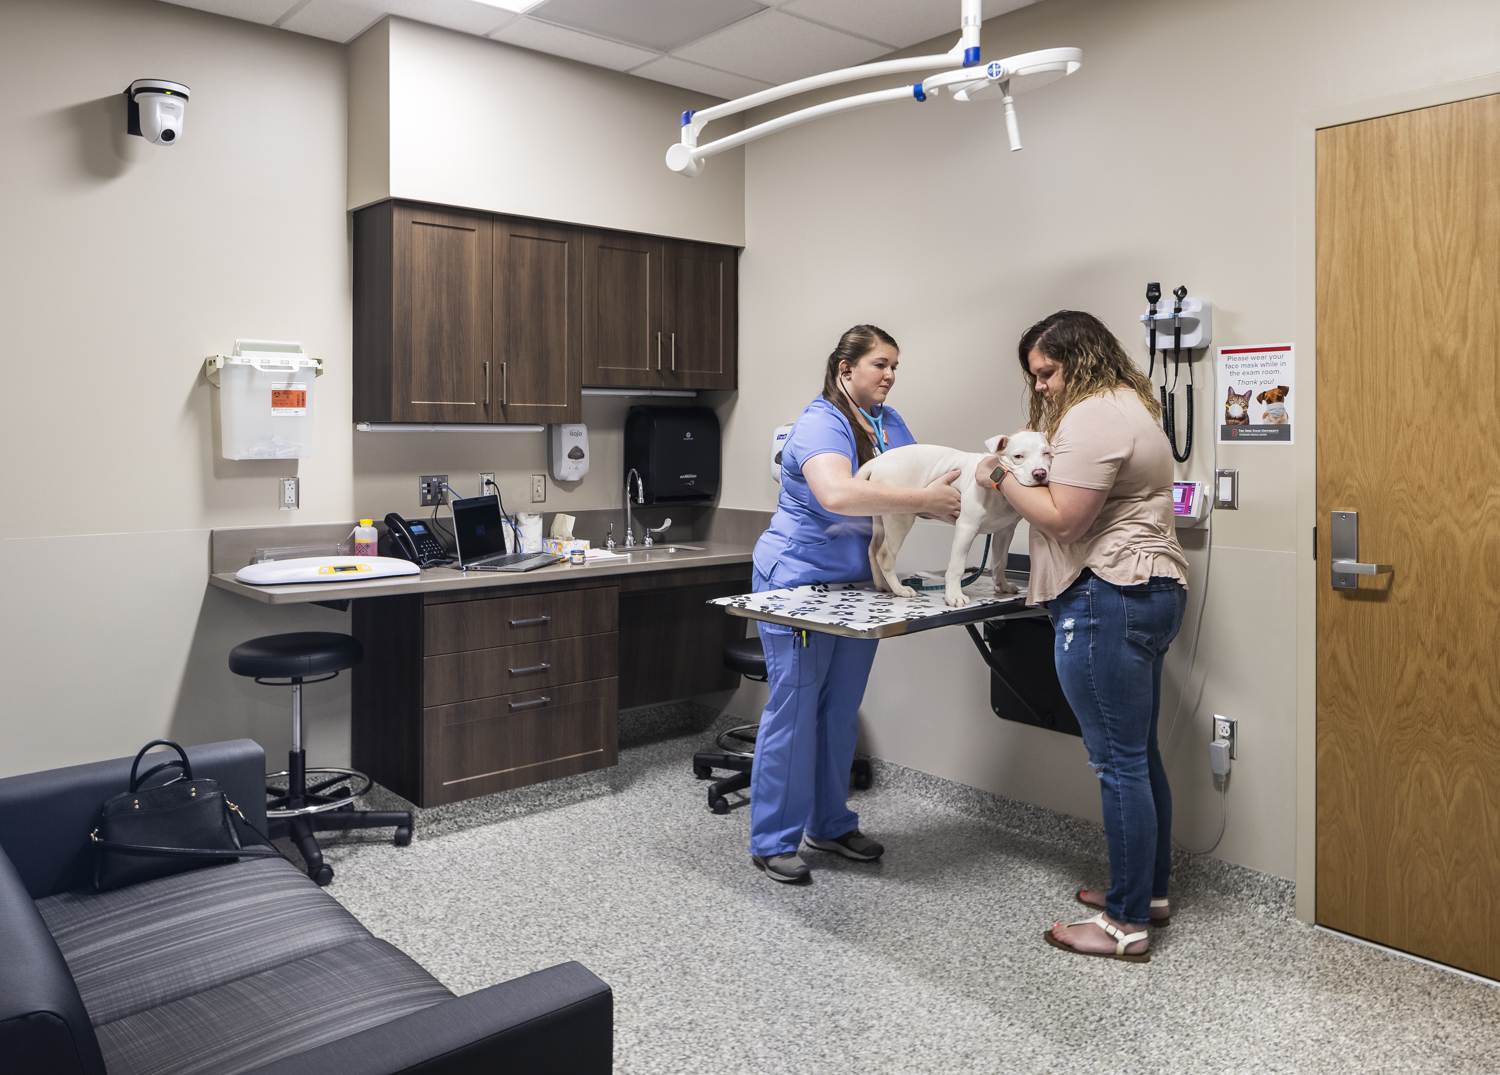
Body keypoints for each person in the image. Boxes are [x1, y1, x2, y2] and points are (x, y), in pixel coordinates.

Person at [980, 310, 1188, 960]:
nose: (1040, 386)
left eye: (1047, 372)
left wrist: (1000, 474)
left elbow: (1065, 520)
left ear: (1081, 357)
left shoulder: (1093, 414)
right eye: (1034, 376)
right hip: (1150, 590)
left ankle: (1125, 926)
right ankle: (1145, 892)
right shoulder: (1134, 405)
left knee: (1117, 762)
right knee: (1137, 754)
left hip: (1108, 594)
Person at [748, 324, 962, 883]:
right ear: (846, 369)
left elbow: (931, 472)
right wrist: (923, 500)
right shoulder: (821, 422)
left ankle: (830, 822)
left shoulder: (888, 424)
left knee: (839, 710)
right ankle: (773, 839)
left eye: (895, 367)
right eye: (880, 365)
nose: (890, 376)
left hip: (858, 585)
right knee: (795, 709)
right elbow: (838, 494)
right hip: (797, 581)